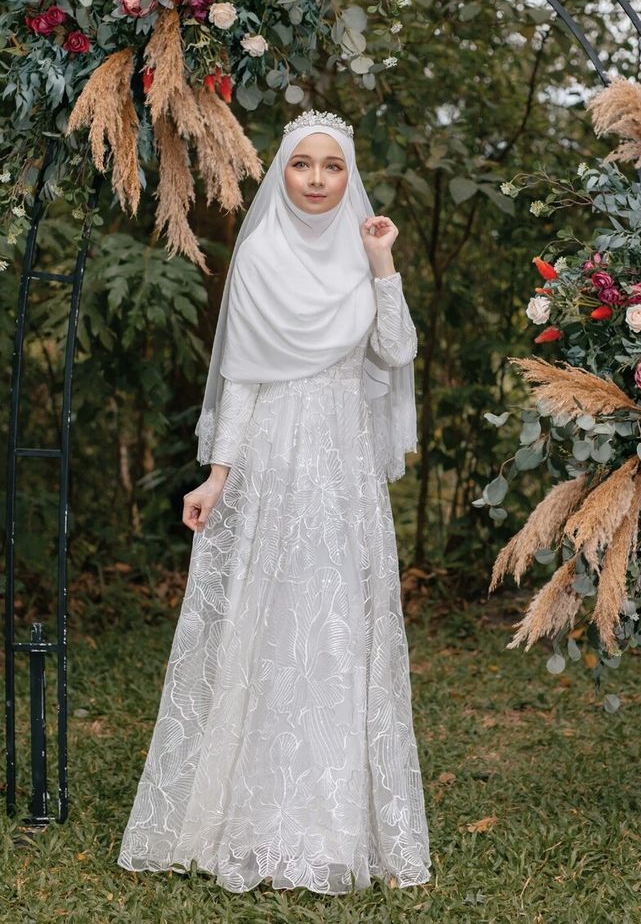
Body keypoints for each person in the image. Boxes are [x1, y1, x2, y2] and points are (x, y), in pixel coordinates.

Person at [116, 109, 432, 896]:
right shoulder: (259, 254)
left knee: (336, 631)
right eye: (303, 165)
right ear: (283, 172)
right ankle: (257, 821)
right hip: (276, 465)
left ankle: (331, 826)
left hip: (344, 466)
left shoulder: (368, 254)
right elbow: (244, 378)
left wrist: (384, 263)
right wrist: (218, 474)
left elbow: (395, 352)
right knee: (271, 628)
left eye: (332, 166)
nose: (318, 179)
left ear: (347, 175)